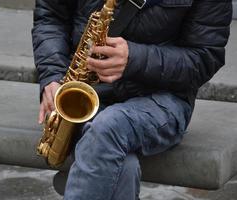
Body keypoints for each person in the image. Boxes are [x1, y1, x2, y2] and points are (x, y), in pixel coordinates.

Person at [32, 0, 232, 199]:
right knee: (122, 167)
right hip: (86, 92)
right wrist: (52, 75)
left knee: (108, 127)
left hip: (163, 100)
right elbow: (51, 16)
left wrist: (134, 58)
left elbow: (205, 57)